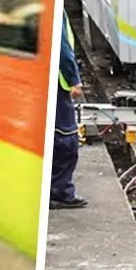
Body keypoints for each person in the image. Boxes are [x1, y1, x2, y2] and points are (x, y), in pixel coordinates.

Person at [50, 11, 87, 209]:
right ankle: (59, 191)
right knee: (67, 139)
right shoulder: (57, 8)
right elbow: (63, 48)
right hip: (58, 84)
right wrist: (74, 80)